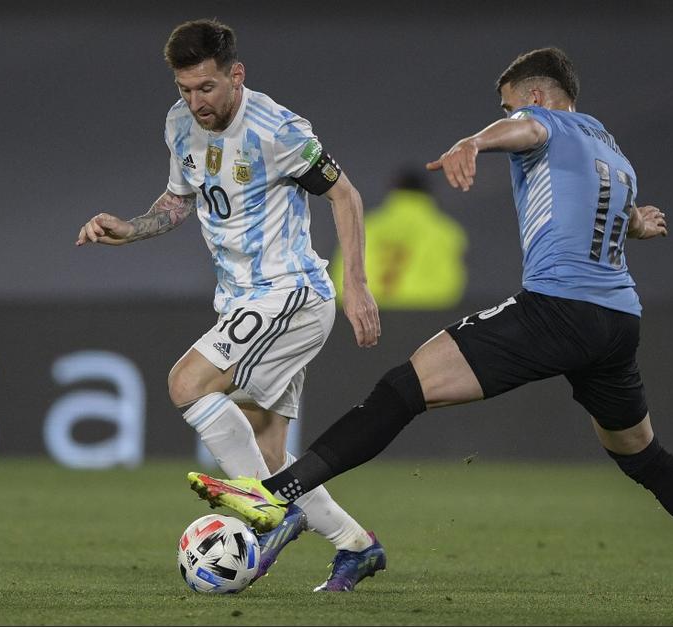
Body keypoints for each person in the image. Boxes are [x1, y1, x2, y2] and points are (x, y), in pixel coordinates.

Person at [186, 47, 673, 603]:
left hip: (557, 309)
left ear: (538, 96)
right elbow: (600, 212)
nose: (507, 116)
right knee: (644, 457)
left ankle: (276, 495)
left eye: (508, 105)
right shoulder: (610, 149)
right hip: (617, 321)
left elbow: (526, 129)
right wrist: (636, 224)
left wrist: (474, 141)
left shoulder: (546, 123)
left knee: (402, 388)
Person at [76, 18, 387, 592]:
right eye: (185, 89)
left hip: (289, 293)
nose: (196, 102)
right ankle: (356, 546)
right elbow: (179, 200)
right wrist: (132, 228)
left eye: (207, 87)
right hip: (242, 301)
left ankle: (267, 508)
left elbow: (345, 195)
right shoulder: (179, 124)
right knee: (270, 454)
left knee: (187, 383)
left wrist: (359, 285)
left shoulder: (278, 130)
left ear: (236, 75)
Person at [329, 167, 468, 309]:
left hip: (369, 312)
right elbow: (450, 284)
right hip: (425, 312)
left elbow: (345, 274)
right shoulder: (445, 231)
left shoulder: (368, 226)